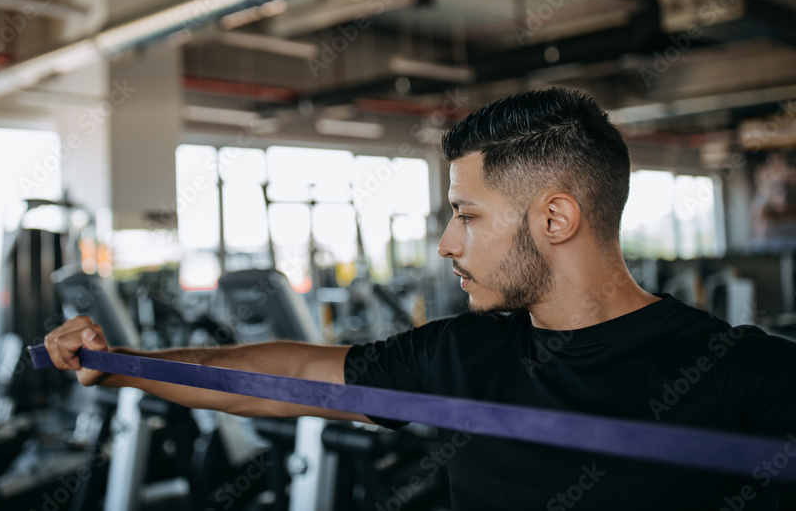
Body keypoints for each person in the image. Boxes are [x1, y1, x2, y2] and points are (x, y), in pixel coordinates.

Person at [44, 87, 796, 510]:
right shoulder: (463, 355)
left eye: (467, 215)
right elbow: (290, 378)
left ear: (556, 218)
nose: (446, 242)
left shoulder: (744, 376)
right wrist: (123, 365)